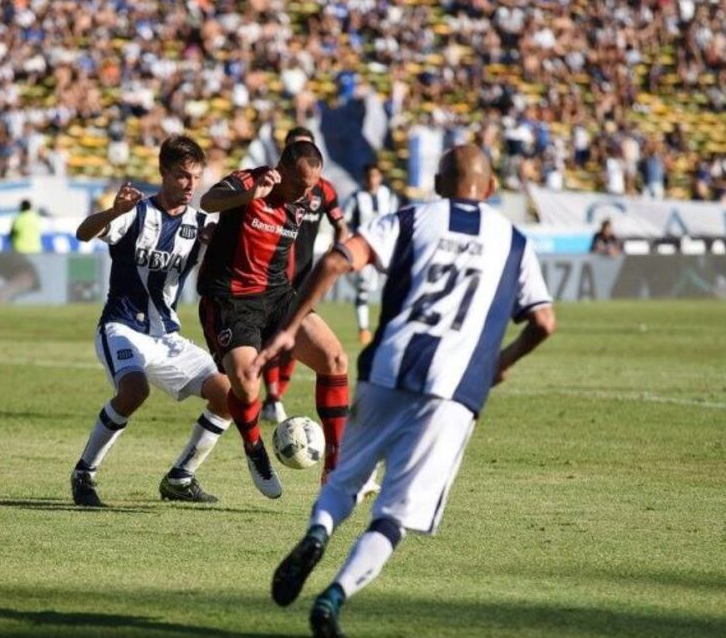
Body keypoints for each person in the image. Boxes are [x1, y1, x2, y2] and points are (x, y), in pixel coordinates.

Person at [253, 145, 555, 636]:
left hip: (387, 369)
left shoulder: (412, 219)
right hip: (453, 393)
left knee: (343, 480)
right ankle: (334, 597)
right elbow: (543, 321)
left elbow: (334, 261)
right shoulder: (515, 242)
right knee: (394, 514)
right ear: (492, 188)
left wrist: (289, 328)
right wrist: (502, 363)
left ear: (438, 185)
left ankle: (317, 532)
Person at [69, 135, 234, 506]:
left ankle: (180, 477)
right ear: (163, 173)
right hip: (121, 327)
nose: (190, 184)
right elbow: (82, 234)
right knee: (134, 391)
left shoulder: (202, 224)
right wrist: (112, 212)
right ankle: (84, 473)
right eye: (181, 176)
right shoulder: (134, 213)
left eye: (195, 176)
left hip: (167, 335)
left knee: (229, 396)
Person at [197, 141, 350, 499]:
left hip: (279, 297)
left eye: (312, 185)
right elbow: (208, 202)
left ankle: (335, 465)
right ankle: (254, 448)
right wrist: (249, 195)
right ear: (280, 169)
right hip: (231, 299)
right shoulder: (249, 180)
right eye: (299, 183)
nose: (306, 192)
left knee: (335, 358)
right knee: (247, 382)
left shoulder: (309, 197)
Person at [260, 126, 349, 425]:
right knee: (274, 336)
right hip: (271, 278)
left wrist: (342, 248)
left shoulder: (324, 190)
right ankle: (272, 396)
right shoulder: (270, 184)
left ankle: (275, 398)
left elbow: (341, 225)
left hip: (305, 278)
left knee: (293, 341)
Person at [344, 163, 399, 345]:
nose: (372, 180)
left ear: (380, 177)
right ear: (364, 178)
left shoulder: (388, 196)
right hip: (364, 249)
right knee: (363, 290)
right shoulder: (356, 197)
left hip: (385, 249)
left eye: (375, 176)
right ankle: (364, 329)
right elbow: (345, 222)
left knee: (391, 289)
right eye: (369, 176)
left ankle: (387, 327)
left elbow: (396, 220)